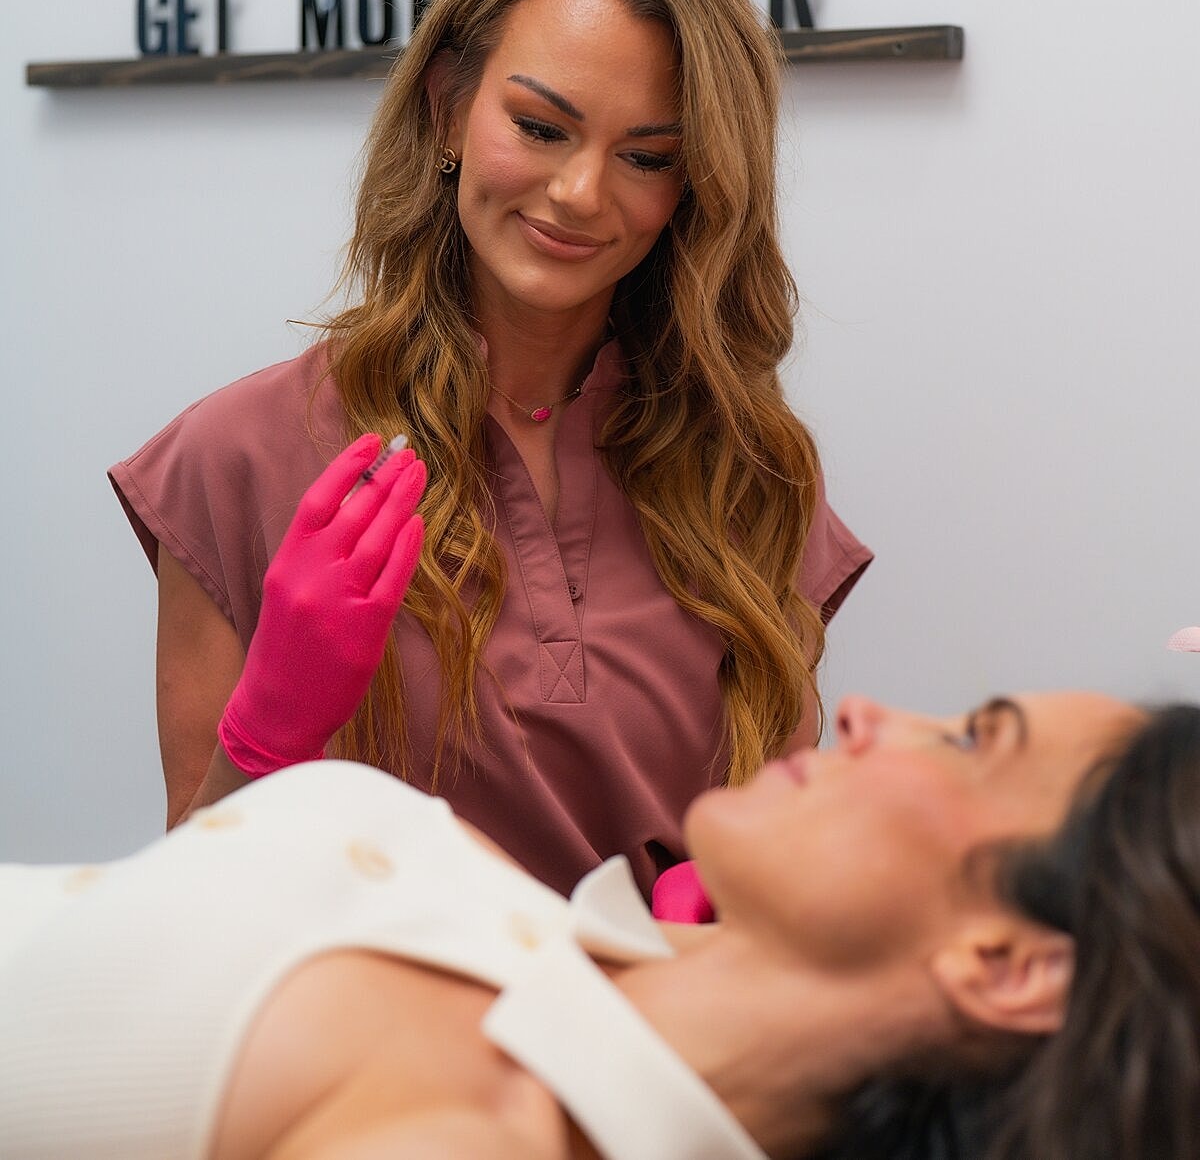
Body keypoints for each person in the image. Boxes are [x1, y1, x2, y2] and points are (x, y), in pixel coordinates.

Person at [0, 441, 1157, 1158]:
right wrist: (255, 750)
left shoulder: (471, 1128)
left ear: (1010, 964)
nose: (863, 711)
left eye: (968, 738)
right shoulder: (572, 963)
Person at [108, 0, 872, 896]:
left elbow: (781, 892)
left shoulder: (752, 473)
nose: (581, 193)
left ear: (694, 187)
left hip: (658, 1043)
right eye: (541, 126)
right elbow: (178, 923)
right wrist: (267, 736)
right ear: (446, 111)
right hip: (372, 1050)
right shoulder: (236, 454)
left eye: (646, 156)